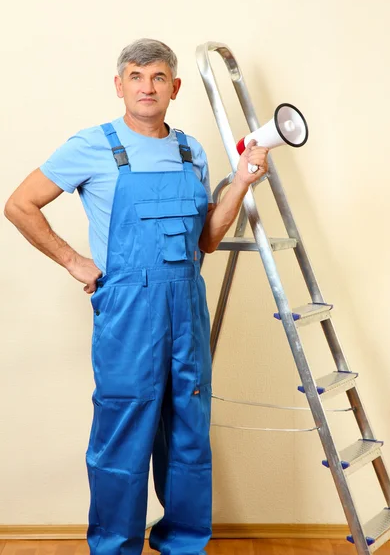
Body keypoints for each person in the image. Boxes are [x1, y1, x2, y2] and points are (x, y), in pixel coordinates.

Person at [4, 38, 268, 555]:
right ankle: (113, 547)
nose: (147, 87)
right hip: (129, 310)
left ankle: (185, 543)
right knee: (124, 430)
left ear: (175, 86)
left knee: (189, 429)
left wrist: (239, 182)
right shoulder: (91, 145)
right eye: (136, 76)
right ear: (119, 84)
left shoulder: (191, 151)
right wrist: (75, 261)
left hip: (186, 305)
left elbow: (207, 240)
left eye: (158, 77)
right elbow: (19, 205)